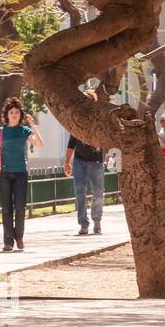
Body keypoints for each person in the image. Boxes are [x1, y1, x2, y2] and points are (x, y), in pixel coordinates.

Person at [0, 97, 42, 252]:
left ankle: (19, 237)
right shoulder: (0, 132)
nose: (14, 115)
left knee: (20, 208)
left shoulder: (24, 131)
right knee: (6, 209)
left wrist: (32, 125)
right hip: (3, 174)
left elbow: (39, 144)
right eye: (12, 112)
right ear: (7, 114)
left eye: (17, 112)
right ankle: (8, 242)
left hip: (20, 174)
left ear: (20, 114)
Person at [65, 90, 105, 236]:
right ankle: (83, 224)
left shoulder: (99, 120)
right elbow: (71, 143)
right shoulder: (77, 121)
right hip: (79, 161)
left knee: (98, 192)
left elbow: (107, 139)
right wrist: (67, 162)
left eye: (88, 100)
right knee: (80, 192)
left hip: (96, 161)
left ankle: (97, 220)